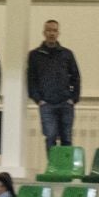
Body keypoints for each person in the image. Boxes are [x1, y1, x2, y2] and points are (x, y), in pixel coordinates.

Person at [27, 20, 81, 149]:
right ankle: (52, 162)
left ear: (58, 33)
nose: (52, 33)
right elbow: (31, 79)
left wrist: (73, 98)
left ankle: (66, 163)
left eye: (54, 30)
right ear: (44, 33)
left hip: (65, 103)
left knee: (66, 138)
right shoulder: (35, 55)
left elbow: (76, 77)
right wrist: (38, 99)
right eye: (49, 30)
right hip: (46, 104)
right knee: (50, 137)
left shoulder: (67, 54)